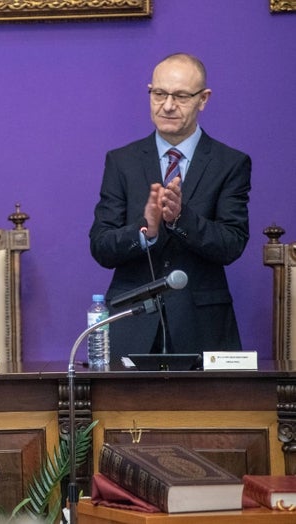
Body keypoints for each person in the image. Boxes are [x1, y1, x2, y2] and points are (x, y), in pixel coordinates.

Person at [89, 53, 251, 359]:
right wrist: (145, 232)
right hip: (131, 323)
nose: (167, 105)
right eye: (159, 94)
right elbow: (101, 245)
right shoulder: (121, 161)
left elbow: (232, 244)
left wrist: (180, 219)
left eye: (180, 96)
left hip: (202, 326)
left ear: (203, 99)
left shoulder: (230, 163)